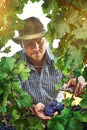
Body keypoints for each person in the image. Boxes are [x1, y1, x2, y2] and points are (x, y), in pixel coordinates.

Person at [13, 16, 84, 121]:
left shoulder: (61, 58)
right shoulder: (13, 66)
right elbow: (14, 98)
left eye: (40, 41)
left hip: (61, 118)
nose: (36, 48)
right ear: (21, 45)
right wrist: (31, 107)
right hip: (30, 122)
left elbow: (70, 83)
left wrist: (79, 79)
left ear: (46, 39)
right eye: (30, 44)